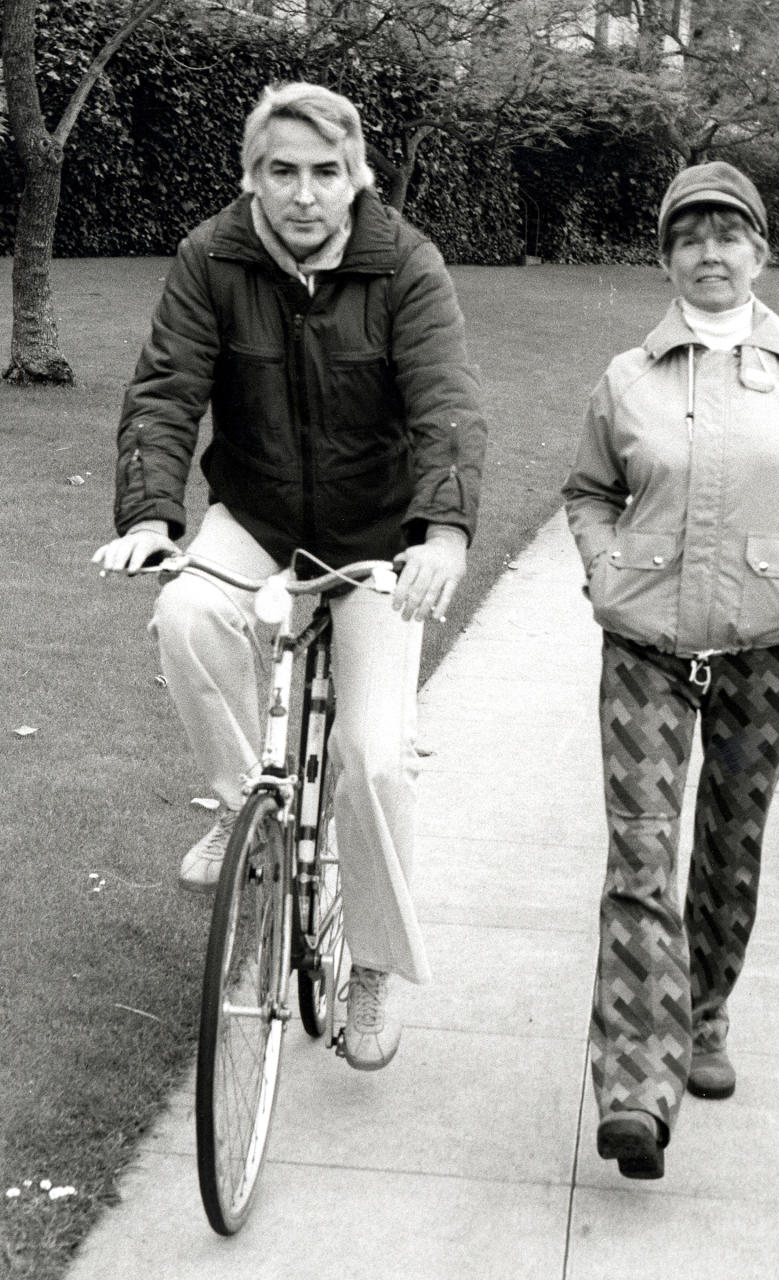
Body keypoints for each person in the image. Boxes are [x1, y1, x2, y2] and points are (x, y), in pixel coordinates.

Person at [93, 82, 486, 1073]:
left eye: (325, 172)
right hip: (259, 512)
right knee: (185, 610)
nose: (304, 195)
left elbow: (446, 401)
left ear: (356, 174)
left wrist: (440, 535)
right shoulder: (212, 257)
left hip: (375, 531)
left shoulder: (405, 265)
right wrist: (148, 516)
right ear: (250, 176)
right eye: (281, 172)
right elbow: (167, 387)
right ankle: (239, 808)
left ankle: (374, 968)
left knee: (377, 755)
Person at [562, 160, 779, 1179]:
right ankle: (635, 1089)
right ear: (666, 257)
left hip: (764, 651)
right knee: (642, 854)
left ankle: (703, 1015)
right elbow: (588, 491)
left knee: (730, 848)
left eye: (728, 234)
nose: (710, 251)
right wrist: (607, 568)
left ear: (760, 251)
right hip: (647, 648)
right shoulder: (626, 377)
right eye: (690, 235)